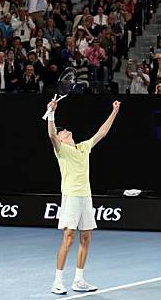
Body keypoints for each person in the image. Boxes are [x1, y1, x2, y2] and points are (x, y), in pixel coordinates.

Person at [46, 99, 121, 295]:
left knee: (86, 237)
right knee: (69, 237)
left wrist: (114, 111)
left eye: (64, 130)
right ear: (61, 140)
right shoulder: (61, 150)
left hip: (86, 197)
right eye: (62, 132)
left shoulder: (83, 147)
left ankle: (79, 280)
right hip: (71, 197)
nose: (65, 131)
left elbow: (102, 132)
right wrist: (51, 113)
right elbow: (51, 134)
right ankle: (57, 281)